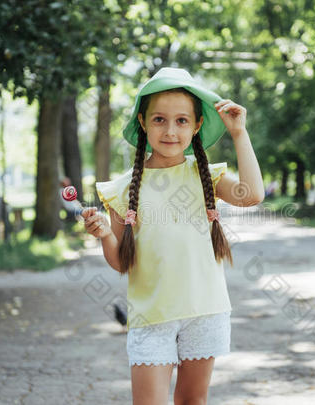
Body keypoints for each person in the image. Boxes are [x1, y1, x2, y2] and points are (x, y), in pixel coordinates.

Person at [82, 67, 264, 405]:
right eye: (159, 120)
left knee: (192, 400)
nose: (170, 131)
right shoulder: (122, 190)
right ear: (142, 122)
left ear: (196, 126)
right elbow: (121, 262)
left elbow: (252, 194)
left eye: (181, 121)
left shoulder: (206, 176)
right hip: (151, 318)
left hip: (204, 312)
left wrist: (240, 134)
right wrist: (105, 234)